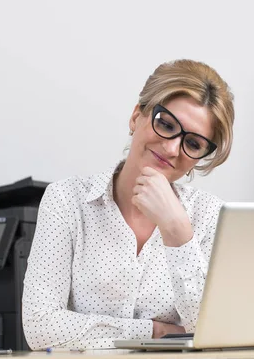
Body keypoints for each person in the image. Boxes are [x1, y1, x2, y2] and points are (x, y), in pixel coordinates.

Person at [22, 59, 235, 350]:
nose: (172, 148)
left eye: (194, 144)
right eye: (166, 124)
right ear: (137, 116)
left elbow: (216, 333)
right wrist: (156, 332)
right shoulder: (67, 200)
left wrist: (177, 231)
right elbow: (40, 326)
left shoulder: (209, 215)